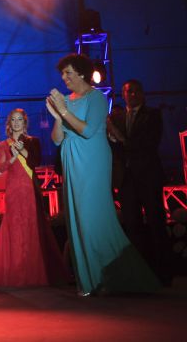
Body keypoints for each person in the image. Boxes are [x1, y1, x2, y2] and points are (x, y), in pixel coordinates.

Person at [46, 54, 159, 295]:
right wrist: (57, 117)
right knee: (77, 220)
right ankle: (88, 281)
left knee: (93, 219)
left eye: (68, 73)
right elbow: (57, 140)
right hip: (71, 160)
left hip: (92, 160)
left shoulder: (96, 97)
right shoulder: (66, 101)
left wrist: (64, 112)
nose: (64, 78)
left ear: (82, 73)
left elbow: (87, 131)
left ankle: (112, 277)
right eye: (63, 74)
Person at [0, 109, 68, 287]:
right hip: (13, 190)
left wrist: (22, 151)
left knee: (33, 227)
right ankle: (15, 272)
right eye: (13, 120)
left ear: (25, 123)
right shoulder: (3, 144)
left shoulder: (33, 141)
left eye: (20, 119)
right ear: (9, 124)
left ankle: (36, 273)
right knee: (15, 228)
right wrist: (13, 155)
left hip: (30, 188)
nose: (17, 122)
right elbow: (2, 168)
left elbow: (35, 162)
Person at [107, 79, 170, 284]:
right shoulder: (117, 117)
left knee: (155, 223)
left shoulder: (152, 115)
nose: (131, 94)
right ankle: (139, 273)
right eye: (127, 91)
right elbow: (114, 148)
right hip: (127, 180)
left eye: (135, 91)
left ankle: (162, 272)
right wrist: (114, 138)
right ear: (122, 95)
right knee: (132, 225)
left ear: (142, 94)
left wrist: (120, 138)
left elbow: (147, 144)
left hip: (148, 177)